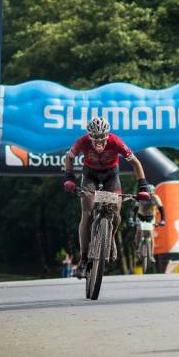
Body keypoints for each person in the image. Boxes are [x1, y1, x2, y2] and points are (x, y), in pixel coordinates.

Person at [62, 116, 153, 277]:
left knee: (116, 211)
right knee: (87, 213)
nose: (99, 143)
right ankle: (83, 260)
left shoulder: (116, 142)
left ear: (107, 136)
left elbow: (136, 163)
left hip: (111, 175)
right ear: (89, 137)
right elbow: (69, 157)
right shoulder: (82, 141)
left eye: (102, 139)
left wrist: (143, 186)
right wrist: (69, 178)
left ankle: (109, 238)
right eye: (95, 139)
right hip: (90, 175)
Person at [132, 188, 166, 253]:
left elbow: (161, 209)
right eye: (148, 194)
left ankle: (151, 254)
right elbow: (135, 209)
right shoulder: (141, 197)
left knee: (151, 234)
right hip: (140, 216)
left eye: (151, 194)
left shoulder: (155, 198)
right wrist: (132, 219)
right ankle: (136, 246)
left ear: (153, 193)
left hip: (151, 217)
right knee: (139, 230)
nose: (149, 196)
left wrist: (162, 220)